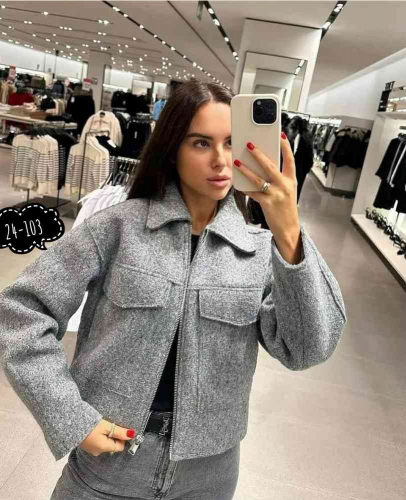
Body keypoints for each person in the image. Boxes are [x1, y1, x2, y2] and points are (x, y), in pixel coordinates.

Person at [0, 80, 347, 500]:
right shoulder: (118, 228)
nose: (221, 160)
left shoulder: (259, 250)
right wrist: (71, 417)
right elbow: (20, 313)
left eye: (232, 143)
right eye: (201, 143)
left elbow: (306, 349)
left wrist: (289, 230)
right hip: (111, 464)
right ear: (172, 149)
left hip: (209, 474)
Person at [286, 116, 314, 203]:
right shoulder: (306, 137)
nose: (288, 128)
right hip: (300, 171)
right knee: (295, 191)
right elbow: (310, 159)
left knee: (292, 191)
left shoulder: (298, 138)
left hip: (296, 170)